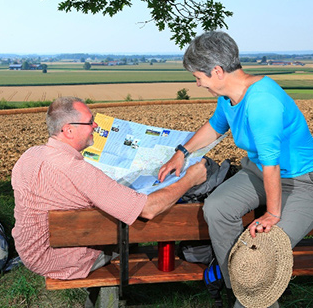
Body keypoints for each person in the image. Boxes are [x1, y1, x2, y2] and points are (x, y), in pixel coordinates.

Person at [158, 31, 313, 307]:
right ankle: (239, 286)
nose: (198, 83)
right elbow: (217, 125)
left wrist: (273, 214)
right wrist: (182, 153)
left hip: (304, 182)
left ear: (217, 71)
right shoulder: (228, 95)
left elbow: (272, 165)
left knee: (265, 249)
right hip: (257, 172)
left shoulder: (262, 102)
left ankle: (252, 295)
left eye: (198, 77)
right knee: (217, 208)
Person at [11, 96, 207, 283]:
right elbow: (148, 209)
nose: (95, 126)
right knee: (134, 226)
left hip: (29, 250)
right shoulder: (77, 171)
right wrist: (190, 179)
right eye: (90, 122)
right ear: (68, 130)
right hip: (60, 258)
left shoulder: (30, 155)